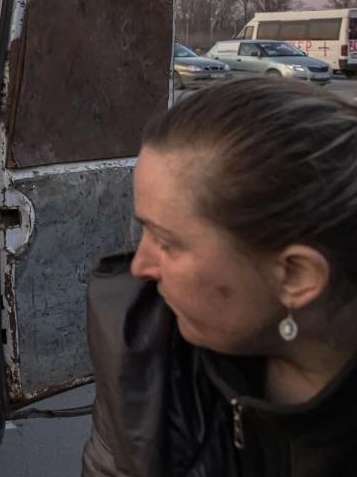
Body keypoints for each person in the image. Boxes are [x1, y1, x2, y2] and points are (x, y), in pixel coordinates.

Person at [82, 78, 357, 476]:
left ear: (296, 276)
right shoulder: (146, 353)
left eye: (166, 241)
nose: (139, 267)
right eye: (141, 229)